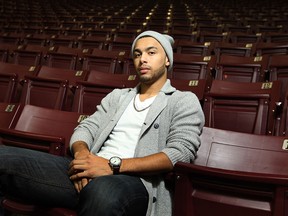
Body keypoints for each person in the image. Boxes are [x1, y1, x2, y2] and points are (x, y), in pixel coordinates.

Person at [0, 30, 205, 216]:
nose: (143, 59)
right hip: (91, 167)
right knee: (4, 156)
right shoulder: (118, 96)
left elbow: (180, 152)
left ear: (167, 60)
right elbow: (86, 127)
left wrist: (111, 166)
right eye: (137, 54)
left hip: (136, 181)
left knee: (103, 192)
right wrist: (84, 160)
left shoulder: (182, 100)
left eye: (151, 53)